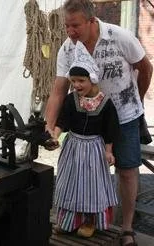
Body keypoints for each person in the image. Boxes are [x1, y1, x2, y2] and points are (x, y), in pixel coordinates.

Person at [43, 1, 153, 244]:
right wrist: (49, 128)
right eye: (66, 26)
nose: (70, 31)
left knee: (127, 171)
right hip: (87, 122)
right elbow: (58, 91)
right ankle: (81, 218)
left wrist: (136, 101)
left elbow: (145, 69)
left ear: (91, 21)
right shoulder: (67, 49)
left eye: (75, 26)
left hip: (123, 116)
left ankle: (126, 229)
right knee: (84, 173)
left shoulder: (120, 37)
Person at [47, 50, 119, 238]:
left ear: (92, 79)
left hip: (94, 149)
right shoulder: (71, 100)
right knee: (69, 183)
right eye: (73, 81)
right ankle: (68, 221)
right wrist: (55, 136)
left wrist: (109, 151)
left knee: (91, 186)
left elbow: (110, 130)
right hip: (73, 146)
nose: (77, 85)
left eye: (81, 80)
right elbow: (63, 121)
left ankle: (89, 221)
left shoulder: (105, 103)